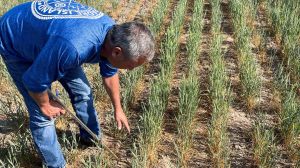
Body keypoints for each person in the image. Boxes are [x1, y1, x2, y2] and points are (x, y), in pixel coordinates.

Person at [0, 0, 155, 167]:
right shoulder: (74, 47)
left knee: (83, 91)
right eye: (132, 65)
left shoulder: (113, 36)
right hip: (15, 38)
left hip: (54, 39)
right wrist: (45, 104)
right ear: (117, 51)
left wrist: (118, 108)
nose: (131, 70)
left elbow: (110, 74)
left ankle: (91, 139)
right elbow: (34, 80)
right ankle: (55, 165)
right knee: (43, 117)